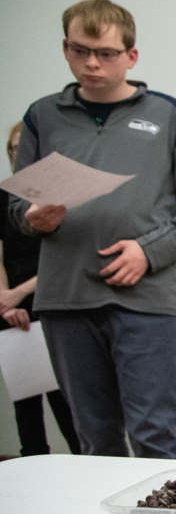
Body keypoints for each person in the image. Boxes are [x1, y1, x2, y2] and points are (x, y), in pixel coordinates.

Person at [8, 0, 176, 458]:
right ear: (65, 49)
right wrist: (30, 217)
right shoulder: (42, 117)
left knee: (153, 434)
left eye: (105, 53)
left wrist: (147, 251)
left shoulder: (168, 116)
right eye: (80, 51)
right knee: (93, 438)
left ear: (131, 56)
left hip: (143, 298)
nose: (92, 63)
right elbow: (16, 209)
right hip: (65, 300)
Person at [1, 122, 80, 457]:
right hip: (10, 310)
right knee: (26, 404)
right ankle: (31, 467)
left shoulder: (63, 202)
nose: (23, 155)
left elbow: (67, 258)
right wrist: (5, 301)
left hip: (53, 303)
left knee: (66, 402)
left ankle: (82, 466)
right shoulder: (3, 198)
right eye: (16, 149)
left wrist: (19, 293)